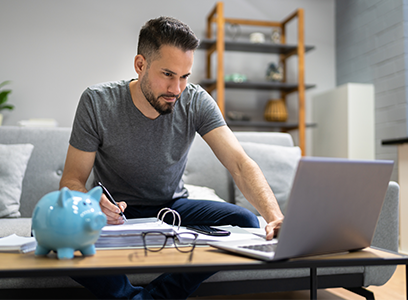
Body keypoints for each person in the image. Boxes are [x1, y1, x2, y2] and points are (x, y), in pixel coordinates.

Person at [60, 16, 284, 300]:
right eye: (168, 74)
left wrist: (275, 218)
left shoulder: (195, 100)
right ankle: (127, 296)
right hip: (116, 212)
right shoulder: (97, 101)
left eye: (185, 76)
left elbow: (239, 163)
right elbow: (71, 181)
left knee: (246, 222)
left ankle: (154, 297)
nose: (177, 88)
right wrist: (92, 201)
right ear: (140, 65)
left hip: (173, 207)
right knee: (48, 229)